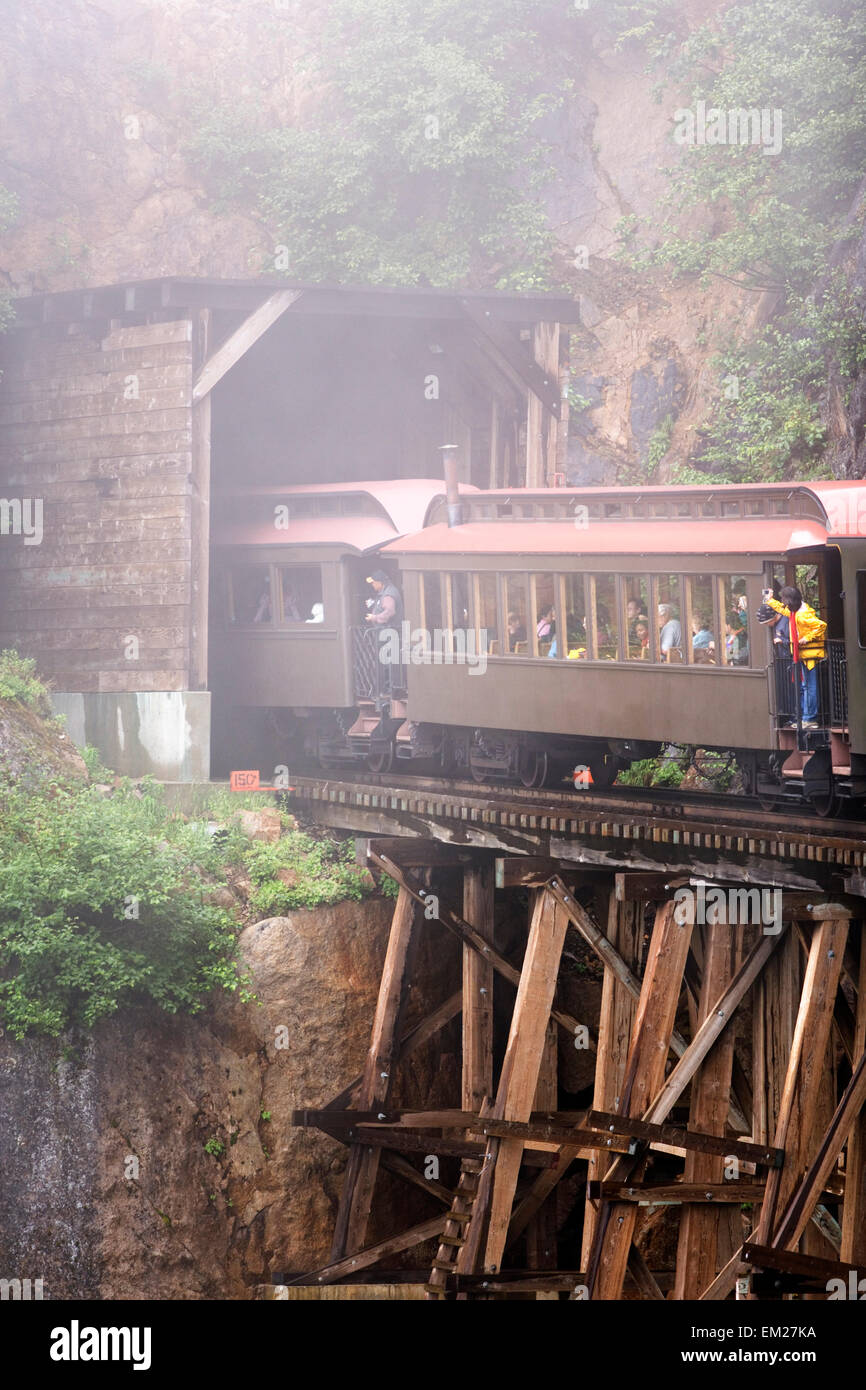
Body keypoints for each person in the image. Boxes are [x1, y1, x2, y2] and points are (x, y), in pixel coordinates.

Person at [762, 584, 826, 728]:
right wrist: (770, 600)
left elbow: (821, 625)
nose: (783, 603)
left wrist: (806, 638)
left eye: (784, 599)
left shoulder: (802, 615)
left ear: (790, 600)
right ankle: (806, 718)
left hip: (809, 654)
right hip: (802, 654)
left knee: (810, 687)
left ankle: (810, 719)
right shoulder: (794, 612)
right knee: (806, 686)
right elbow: (780, 609)